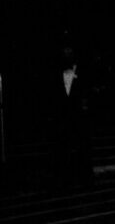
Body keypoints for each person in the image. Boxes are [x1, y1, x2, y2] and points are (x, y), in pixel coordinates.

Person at [46, 47, 93, 190]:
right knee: (63, 149)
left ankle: (85, 178)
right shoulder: (56, 74)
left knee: (82, 148)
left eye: (69, 53)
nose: (67, 56)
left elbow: (88, 94)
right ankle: (64, 179)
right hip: (63, 118)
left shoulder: (83, 73)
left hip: (80, 118)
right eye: (64, 54)